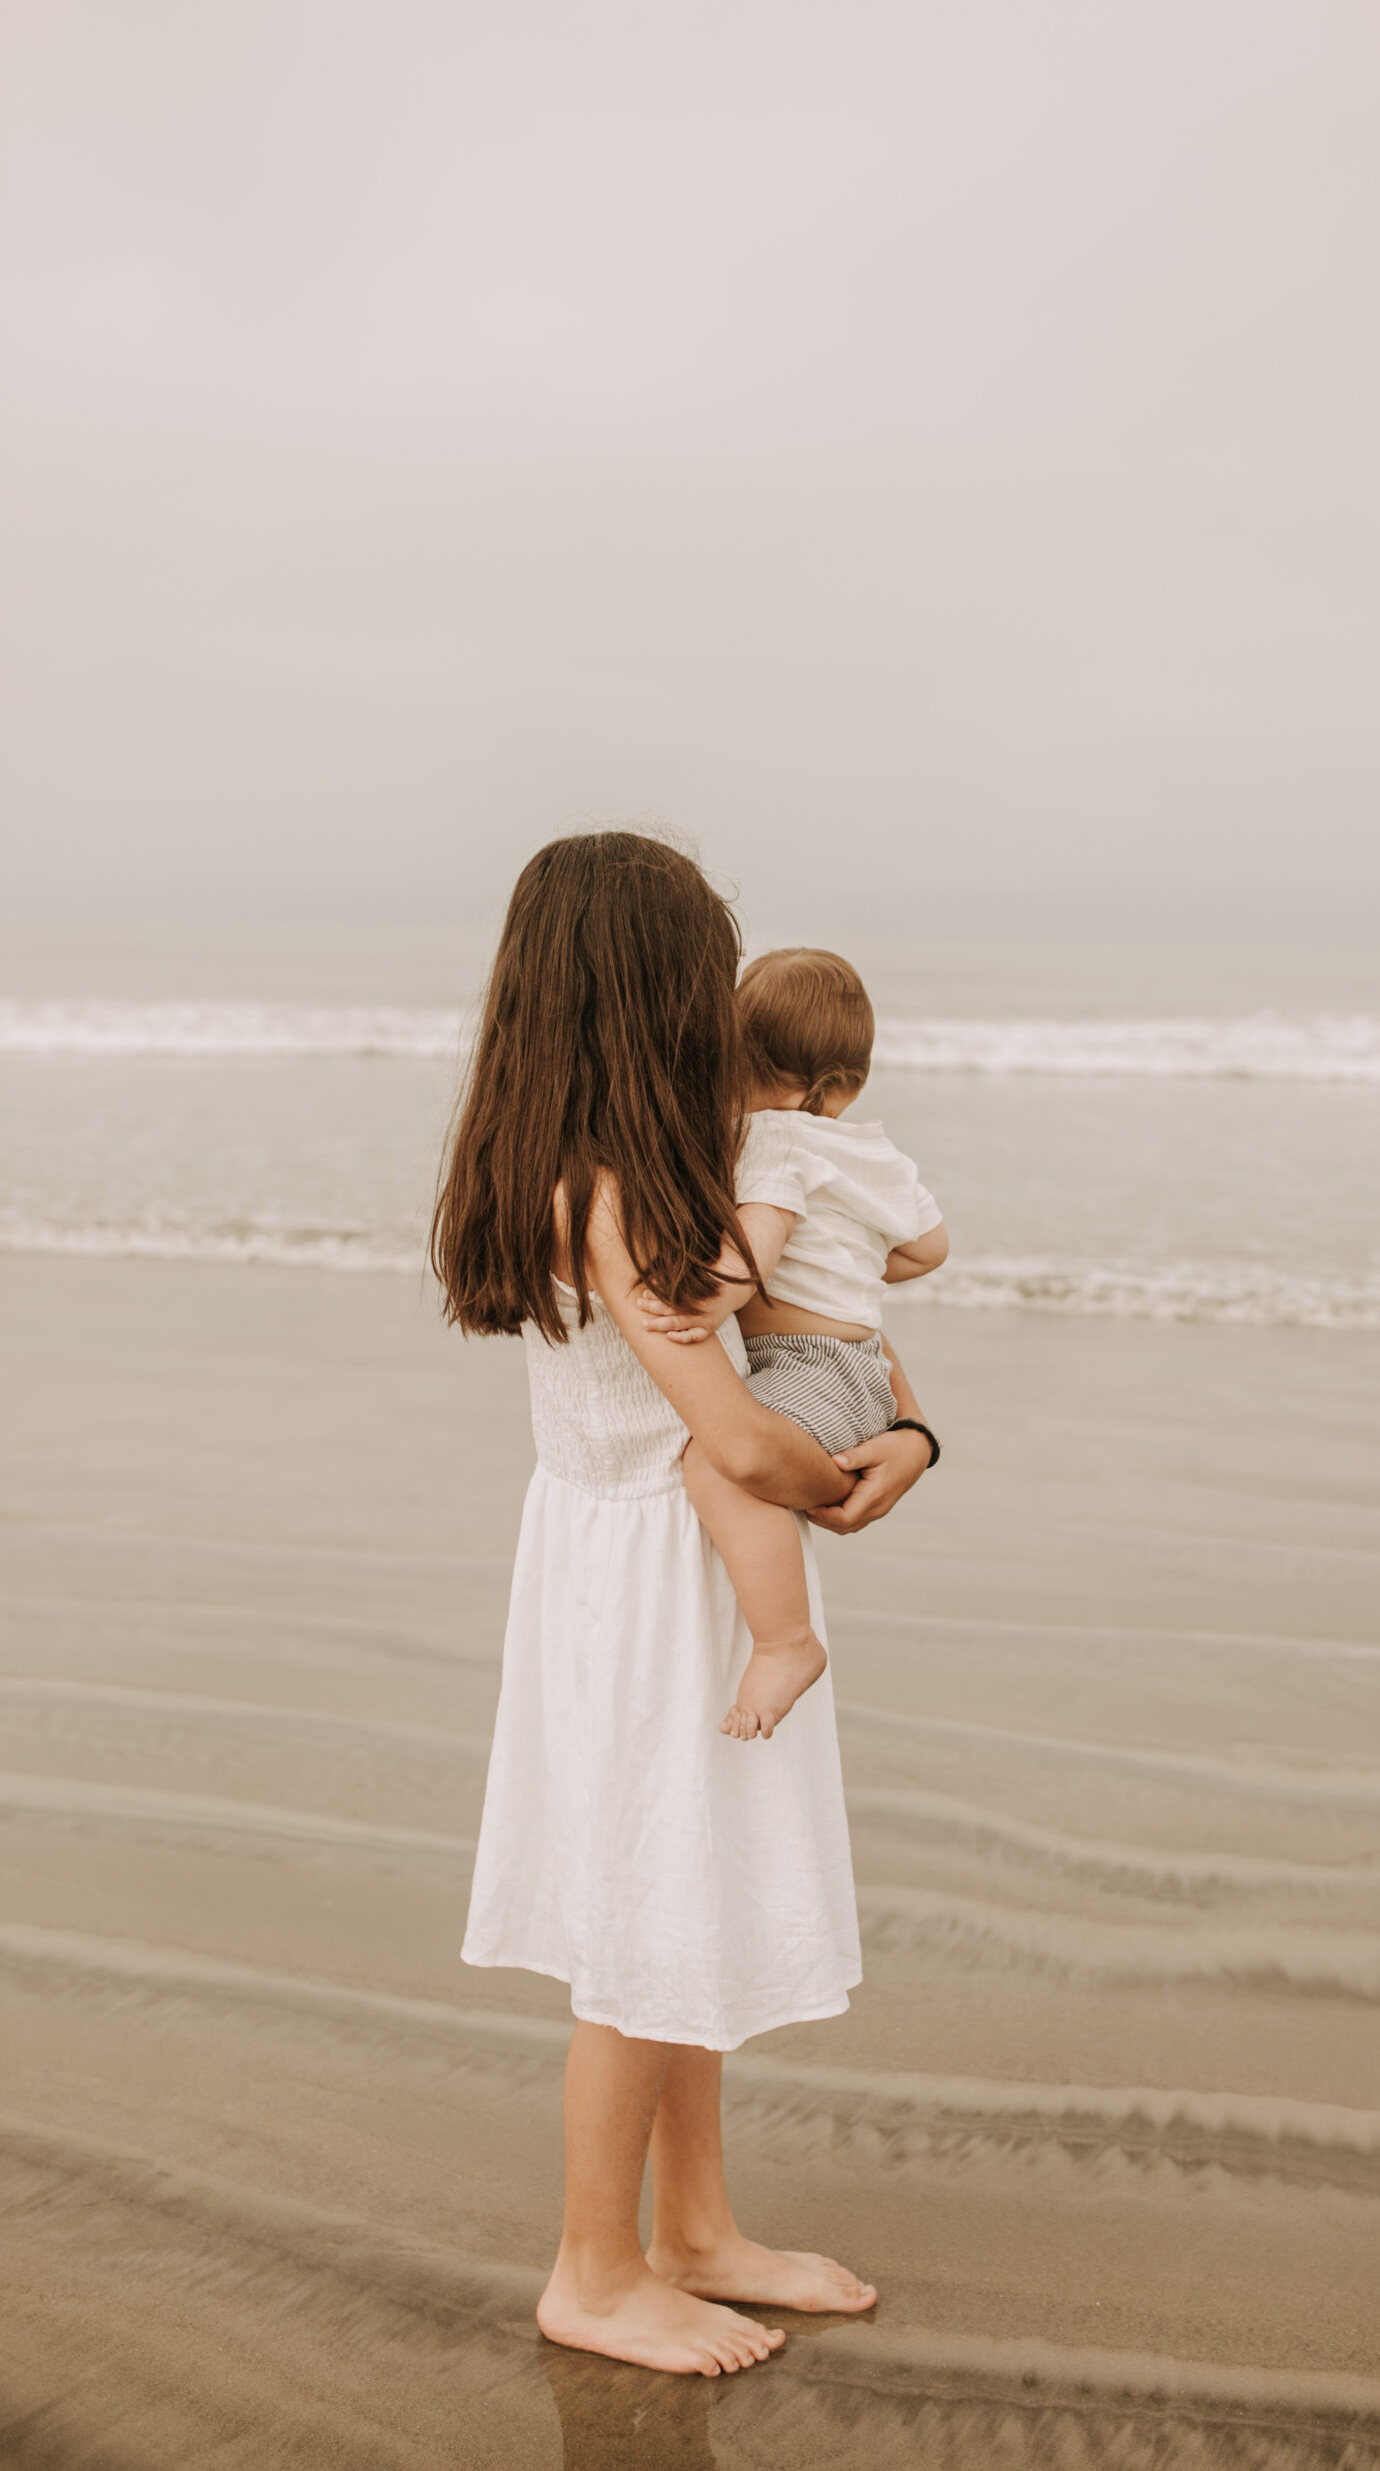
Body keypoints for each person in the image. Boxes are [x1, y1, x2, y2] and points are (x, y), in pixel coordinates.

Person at [432, 833, 938, 2379]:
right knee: (648, 1911)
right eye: (699, 967)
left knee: (689, 1896)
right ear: (642, 988)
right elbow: (728, 1436)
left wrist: (898, 1431)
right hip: (647, 1568)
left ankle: (697, 2227)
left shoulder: (626, 1164)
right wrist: (876, 1460)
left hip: (653, 1556)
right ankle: (594, 2267)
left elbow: (805, 1323)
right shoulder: (600, 1190)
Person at [636, 947, 948, 1740]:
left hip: (813, 1368)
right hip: (859, 1365)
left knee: (717, 1463)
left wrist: (710, 1303)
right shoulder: (874, 1152)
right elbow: (927, 1249)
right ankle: (781, 1636)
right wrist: (850, 1269)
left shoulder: (768, 1140)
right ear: (846, 1085)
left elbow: (756, 1247)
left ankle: (785, 1642)